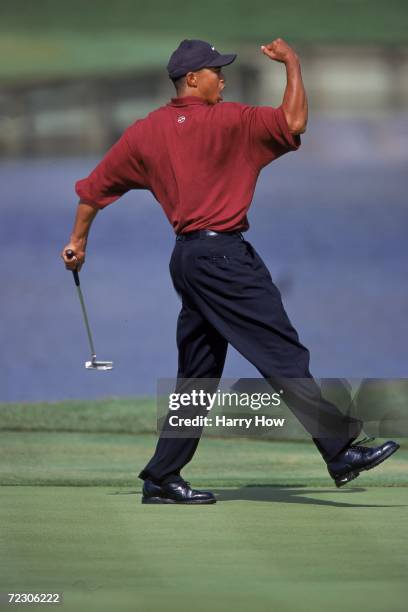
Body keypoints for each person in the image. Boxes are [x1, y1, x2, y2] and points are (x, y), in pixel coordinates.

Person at [61, 38, 399, 505]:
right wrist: (293, 65)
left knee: (197, 375)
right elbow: (295, 121)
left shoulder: (146, 131)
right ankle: (339, 450)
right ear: (192, 79)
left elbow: (92, 191)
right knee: (281, 354)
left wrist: (78, 241)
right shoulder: (233, 120)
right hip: (224, 260)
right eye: (216, 71)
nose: (223, 77)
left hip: (188, 261)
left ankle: (162, 476)